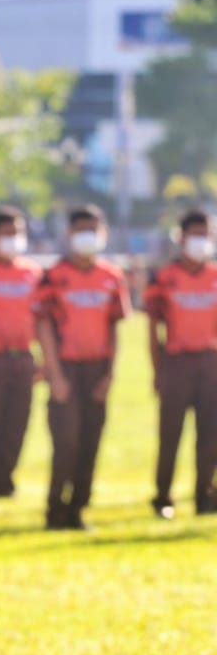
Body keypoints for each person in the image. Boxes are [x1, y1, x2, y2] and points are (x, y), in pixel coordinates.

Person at [36, 204, 131, 531]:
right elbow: (44, 326)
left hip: (97, 369)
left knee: (90, 441)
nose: (87, 237)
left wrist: (110, 374)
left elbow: (115, 327)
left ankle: (77, 508)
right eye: (81, 230)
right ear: (69, 234)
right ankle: (54, 509)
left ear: (103, 234)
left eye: (93, 230)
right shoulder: (54, 276)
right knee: (67, 441)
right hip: (66, 368)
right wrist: (54, 374)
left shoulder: (111, 277)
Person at [144, 209, 217, 519]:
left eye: (205, 235)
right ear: (181, 237)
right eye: (195, 235)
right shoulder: (164, 278)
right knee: (170, 433)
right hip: (176, 362)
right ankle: (163, 496)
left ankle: (204, 494)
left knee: (210, 434)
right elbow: (153, 328)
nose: (200, 241)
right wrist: (158, 370)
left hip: (210, 362)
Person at [0, 206, 42, 500]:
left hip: (23, 357)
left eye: (18, 233)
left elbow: (42, 320)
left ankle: (6, 480)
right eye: (7, 233)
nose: (14, 239)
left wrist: (44, 360)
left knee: (17, 424)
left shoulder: (33, 273)